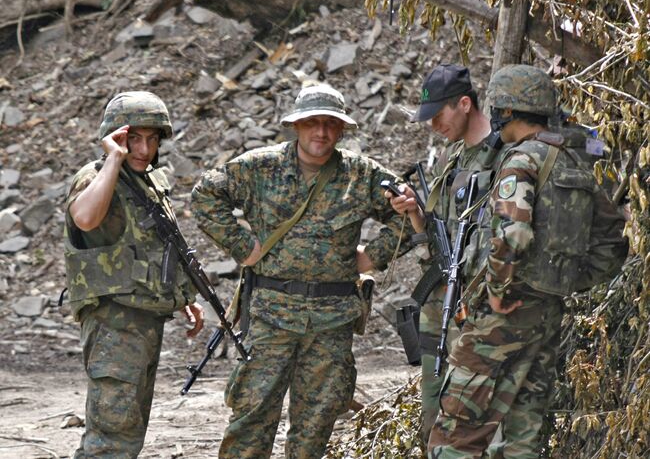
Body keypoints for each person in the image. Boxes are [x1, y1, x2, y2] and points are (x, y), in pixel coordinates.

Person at [191, 84, 411, 458]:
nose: (321, 132)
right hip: (271, 316)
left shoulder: (362, 174)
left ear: (341, 130)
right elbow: (205, 196)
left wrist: (371, 256)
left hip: (332, 321)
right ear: (296, 125)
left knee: (317, 421)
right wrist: (244, 248)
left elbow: (407, 214)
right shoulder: (260, 167)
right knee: (252, 415)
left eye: (329, 124)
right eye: (312, 123)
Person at [428, 64, 627, 458]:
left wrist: (499, 292)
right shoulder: (576, 161)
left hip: (503, 314)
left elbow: (513, 232)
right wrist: (569, 279)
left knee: (455, 434)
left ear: (505, 110)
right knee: (524, 433)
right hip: (546, 311)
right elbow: (615, 238)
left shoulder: (521, 160)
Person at [63, 91, 205, 457]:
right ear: (115, 137)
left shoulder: (147, 182)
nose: (143, 148)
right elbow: (86, 218)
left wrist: (184, 297)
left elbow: (161, 246)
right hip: (114, 321)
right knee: (111, 434)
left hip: (143, 319)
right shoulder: (98, 176)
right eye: (133, 138)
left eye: (151, 139)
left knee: (128, 430)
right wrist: (114, 158)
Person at [387, 63, 494, 443]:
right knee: (432, 422)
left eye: (438, 115)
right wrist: (416, 212)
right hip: (441, 311)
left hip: (478, 315)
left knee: (470, 425)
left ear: (464, 103)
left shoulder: (504, 160)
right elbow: (435, 245)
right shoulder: (454, 159)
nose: (433, 126)